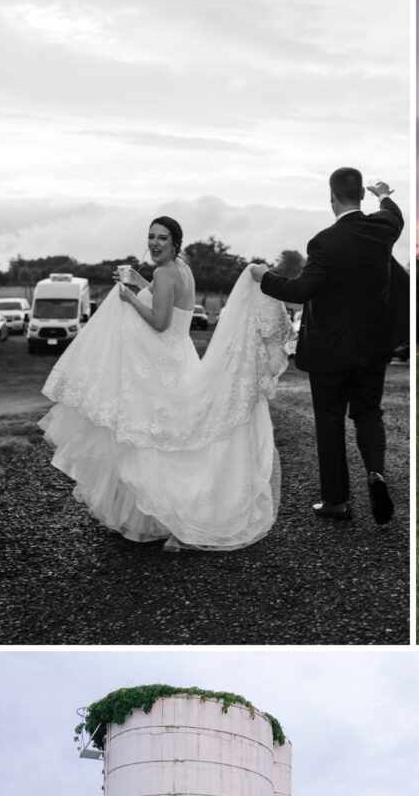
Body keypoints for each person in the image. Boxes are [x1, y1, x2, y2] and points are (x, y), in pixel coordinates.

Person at [41, 215, 289, 549]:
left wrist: (129, 298)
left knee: (154, 438)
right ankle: (168, 512)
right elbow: (166, 299)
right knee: (179, 438)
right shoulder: (181, 268)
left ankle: (177, 511)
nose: (155, 243)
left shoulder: (163, 272)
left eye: (162, 238)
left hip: (159, 361)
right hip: (180, 355)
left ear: (175, 242)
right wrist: (139, 283)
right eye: (151, 237)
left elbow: (160, 321)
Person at [256, 171, 403, 525]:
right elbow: (394, 213)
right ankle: (376, 473)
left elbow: (299, 291)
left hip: (330, 351)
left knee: (330, 421)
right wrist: (383, 194)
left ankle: (336, 501)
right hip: (372, 346)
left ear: (332, 197)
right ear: (360, 195)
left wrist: (263, 277)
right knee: (368, 412)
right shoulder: (383, 229)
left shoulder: (324, 242)